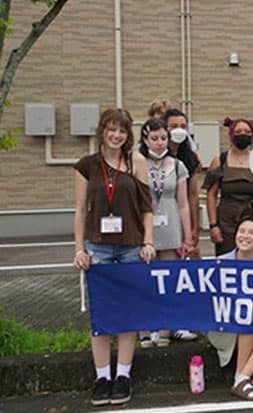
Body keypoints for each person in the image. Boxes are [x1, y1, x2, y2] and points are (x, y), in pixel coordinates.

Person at [72, 108, 155, 406]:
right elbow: (81, 210)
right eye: (112, 129)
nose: (116, 135)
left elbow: (147, 207)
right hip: (98, 246)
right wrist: (79, 249)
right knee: (102, 313)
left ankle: (123, 374)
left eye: (122, 130)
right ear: (102, 130)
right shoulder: (87, 166)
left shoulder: (137, 161)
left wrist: (148, 241)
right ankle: (102, 376)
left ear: (128, 134)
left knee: (129, 311)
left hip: (131, 245)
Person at [137, 118, 194, 348]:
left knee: (168, 279)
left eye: (163, 138)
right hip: (145, 226)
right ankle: (144, 329)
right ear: (145, 139)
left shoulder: (178, 165)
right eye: (154, 138)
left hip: (170, 224)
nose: (159, 143)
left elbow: (184, 203)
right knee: (144, 280)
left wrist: (188, 235)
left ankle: (165, 329)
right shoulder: (137, 162)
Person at [211, 216, 253, 401]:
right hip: (225, 325)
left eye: (251, 233)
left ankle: (245, 375)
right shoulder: (221, 263)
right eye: (242, 231)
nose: (245, 236)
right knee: (249, 318)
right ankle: (240, 379)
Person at [203, 117, 253, 256]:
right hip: (226, 221)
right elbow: (211, 195)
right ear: (231, 135)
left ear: (252, 135)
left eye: (247, 131)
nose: (243, 134)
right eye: (238, 131)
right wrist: (213, 225)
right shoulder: (220, 160)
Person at [163, 109, 201, 259]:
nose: (178, 130)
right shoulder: (153, 157)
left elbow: (193, 195)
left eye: (183, 126)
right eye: (173, 126)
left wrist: (194, 227)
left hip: (182, 217)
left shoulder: (190, 157)